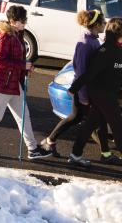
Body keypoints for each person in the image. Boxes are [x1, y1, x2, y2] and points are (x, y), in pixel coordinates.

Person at [0, 5, 52, 160]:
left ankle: (33, 149)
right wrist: (22, 66)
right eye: (22, 20)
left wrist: (25, 68)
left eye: (25, 19)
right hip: (2, 84)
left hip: (14, 83)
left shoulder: (18, 34)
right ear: (12, 21)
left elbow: (17, 59)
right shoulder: (4, 36)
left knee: (24, 116)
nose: (25, 22)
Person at [41, 10, 114, 159]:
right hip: (83, 90)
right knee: (95, 121)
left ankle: (50, 142)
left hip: (87, 90)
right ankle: (102, 154)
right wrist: (84, 97)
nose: (105, 25)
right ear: (96, 25)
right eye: (103, 23)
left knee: (77, 118)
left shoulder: (92, 39)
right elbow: (81, 72)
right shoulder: (86, 44)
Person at [68, 18, 122, 167]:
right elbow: (89, 73)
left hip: (109, 93)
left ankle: (75, 154)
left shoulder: (118, 48)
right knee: (118, 127)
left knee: (91, 123)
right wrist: (74, 88)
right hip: (101, 94)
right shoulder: (105, 51)